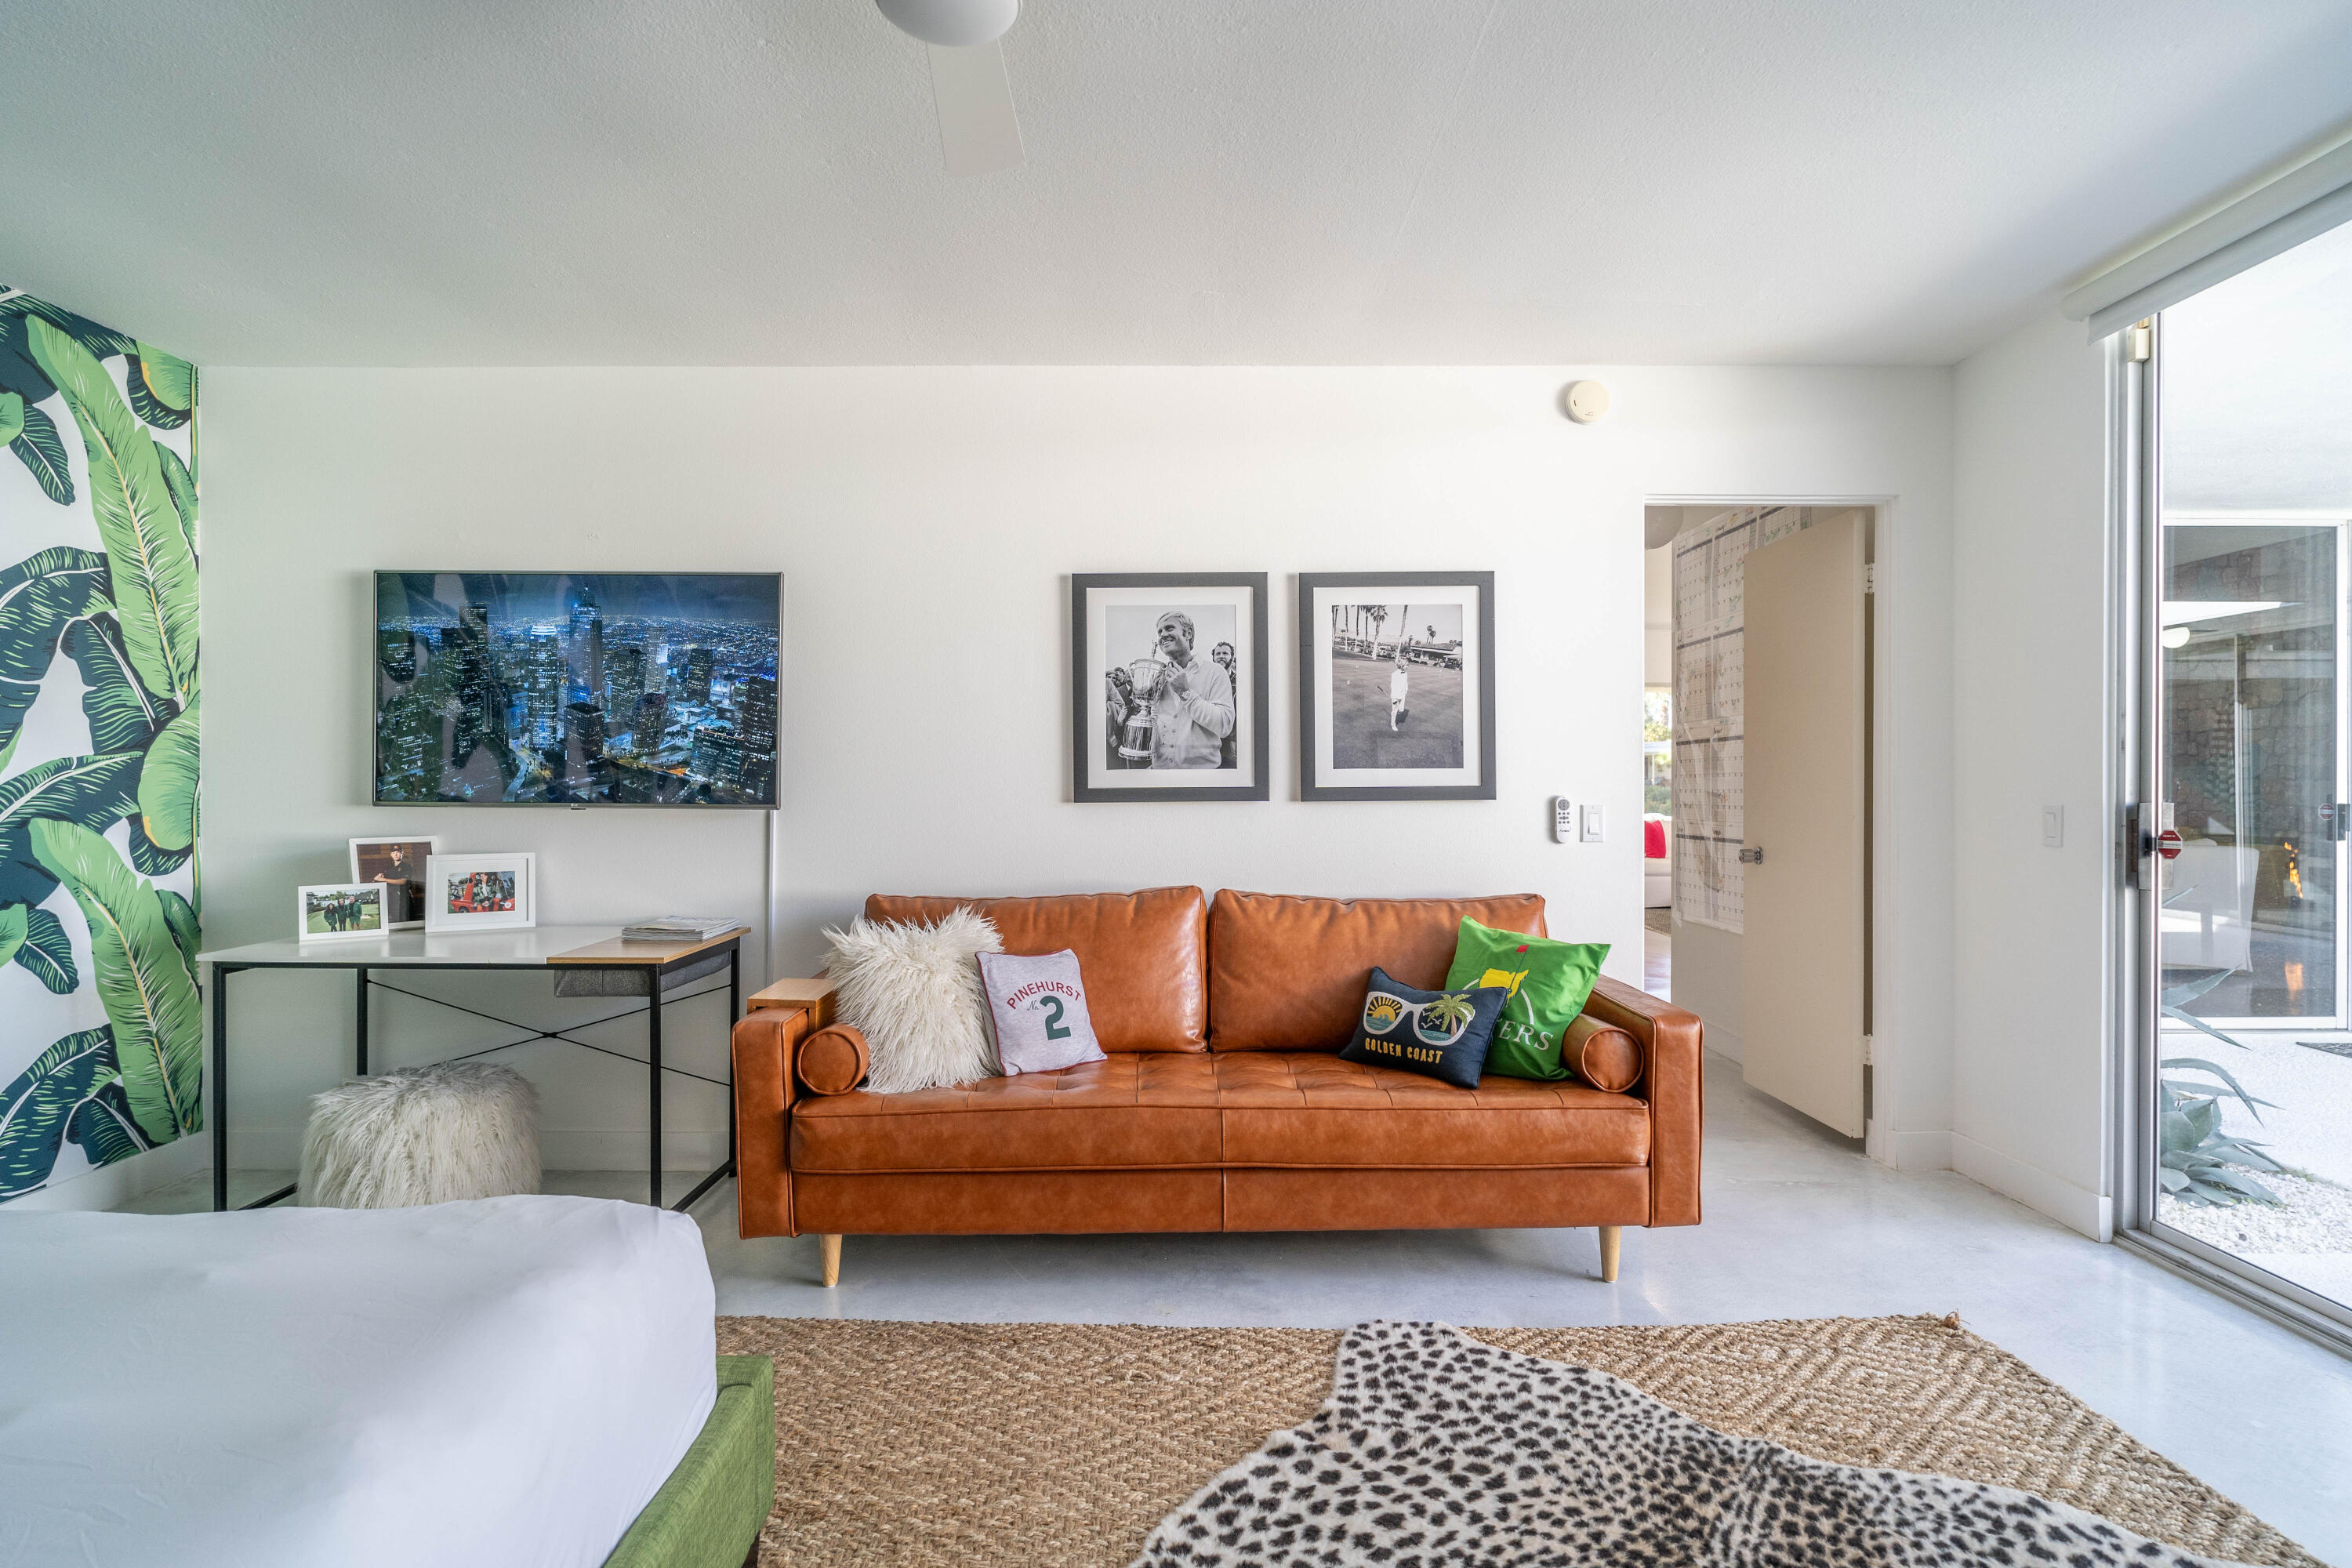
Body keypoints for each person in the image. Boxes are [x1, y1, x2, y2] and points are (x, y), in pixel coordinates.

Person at [1113, 612, 1234, 769]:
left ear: (1188, 633)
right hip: (1160, 773)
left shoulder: (1215, 672)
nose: (1163, 635)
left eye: (1169, 628)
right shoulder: (1158, 678)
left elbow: (1224, 726)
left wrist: (1186, 693)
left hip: (1201, 778)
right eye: (1159, 632)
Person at [1210, 642, 1238, 770]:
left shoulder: (1239, 681)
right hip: (1210, 740)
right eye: (1218, 654)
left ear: (1232, 656)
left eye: (1225, 653)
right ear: (1213, 657)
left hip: (1232, 743)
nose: (1221, 656)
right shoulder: (1207, 680)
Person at [1389, 648, 1410, 731]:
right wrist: (1394, 698)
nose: (1408, 667)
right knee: (1395, 710)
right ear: (1402, 665)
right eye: (1407, 665)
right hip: (1396, 695)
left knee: (1401, 710)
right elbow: (1392, 686)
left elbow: (1406, 683)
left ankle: (1398, 711)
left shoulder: (1405, 673)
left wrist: (1405, 691)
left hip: (1403, 694)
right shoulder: (1395, 674)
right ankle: (1393, 724)